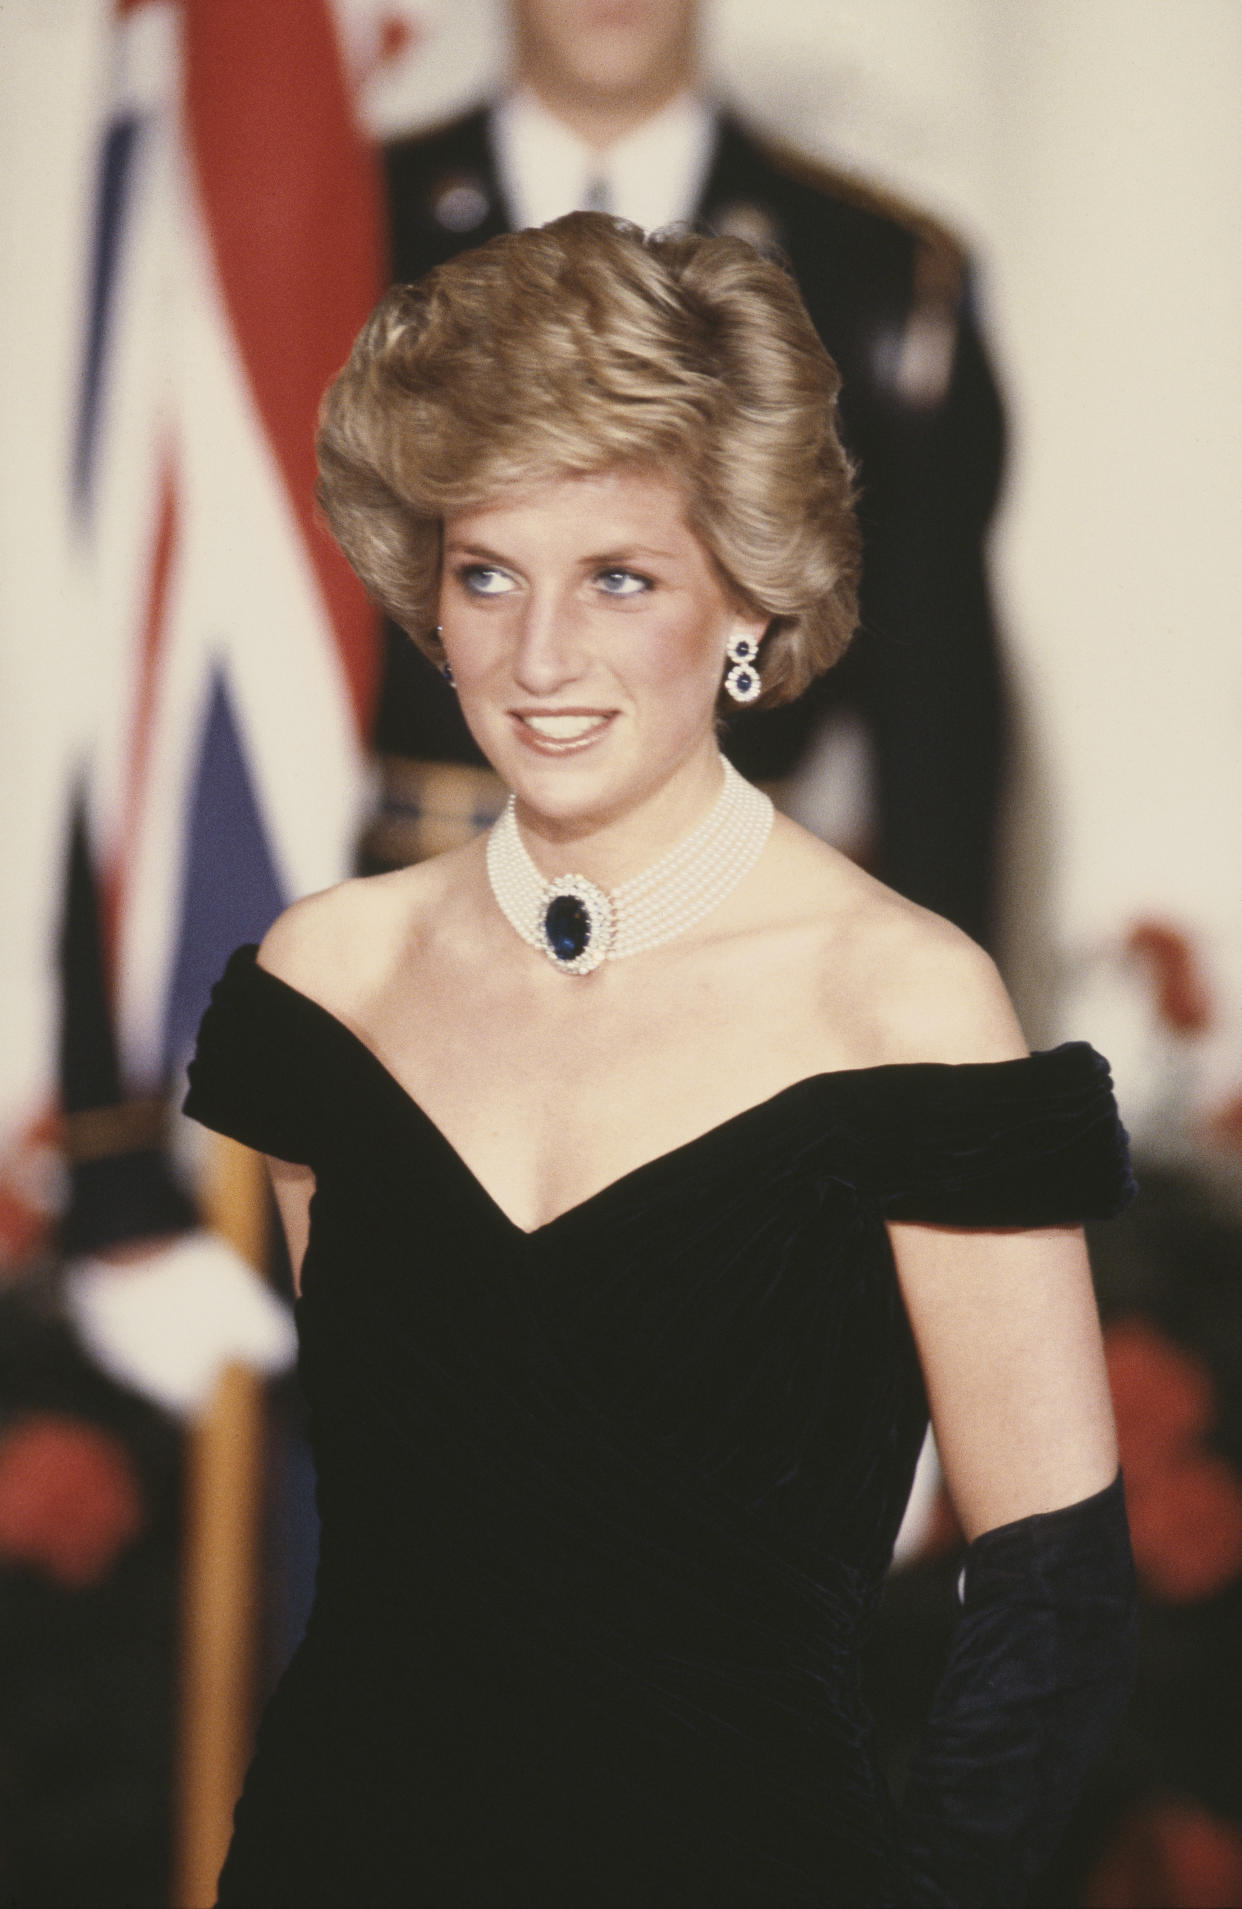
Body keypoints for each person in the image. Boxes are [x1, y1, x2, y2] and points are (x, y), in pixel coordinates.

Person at [184, 215, 1135, 1908]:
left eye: (617, 575)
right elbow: (423, 1541)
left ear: (749, 600)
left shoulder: (901, 1002)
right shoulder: (328, 983)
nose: (540, 657)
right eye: (489, 571)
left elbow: (1051, 1600)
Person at [378, 0, 1005, 946]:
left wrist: (934, 1060)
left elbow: (938, 724)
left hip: (741, 945)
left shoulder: (872, 273)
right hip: (405, 927)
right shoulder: (340, 227)